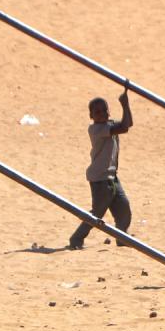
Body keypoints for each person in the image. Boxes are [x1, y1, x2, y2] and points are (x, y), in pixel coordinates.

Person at [67, 86, 134, 249]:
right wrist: (124, 105)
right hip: (100, 178)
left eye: (104, 111)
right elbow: (124, 127)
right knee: (97, 213)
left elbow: (128, 123)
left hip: (112, 176)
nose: (102, 114)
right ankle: (76, 238)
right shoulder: (97, 129)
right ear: (91, 116)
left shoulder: (109, 125)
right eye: (97, 112)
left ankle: (122, 237)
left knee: (123, 209)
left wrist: (126, 105)